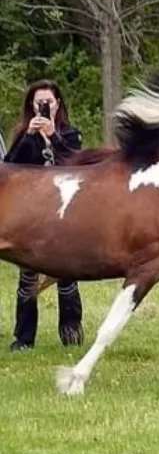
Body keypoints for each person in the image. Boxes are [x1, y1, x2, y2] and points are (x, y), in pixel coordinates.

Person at [4, 79, 84, 350]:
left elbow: (78, 164)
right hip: (32, 216)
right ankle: (24, 338)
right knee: (28, 275)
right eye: (37, 103)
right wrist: (29, 136)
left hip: (64, 213)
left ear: (57, 104)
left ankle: (71, 333)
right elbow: (9, 169)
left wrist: (54, 137)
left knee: (67, 273)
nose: (42, 107)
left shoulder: (71, 134)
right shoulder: (22, 134)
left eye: (47, 102)